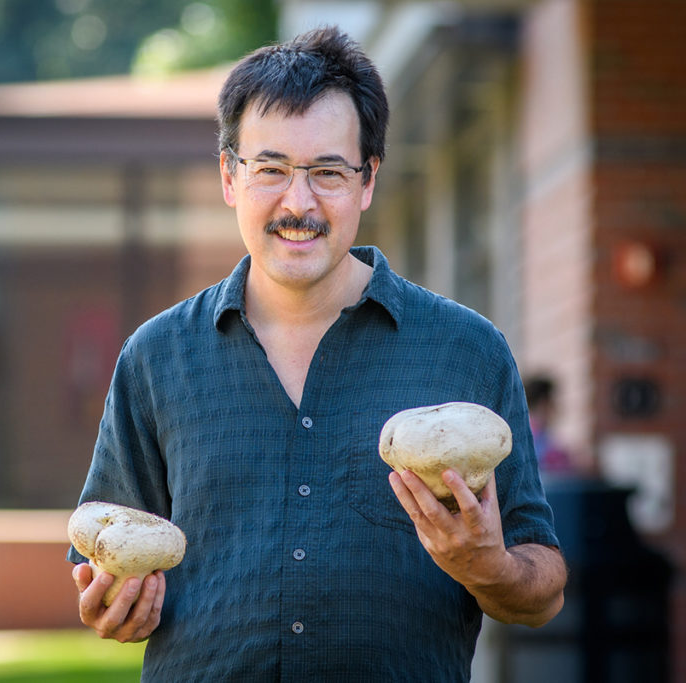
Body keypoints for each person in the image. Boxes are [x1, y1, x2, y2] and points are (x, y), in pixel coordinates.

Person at [68, 26, 566, 681]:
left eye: (328, 172)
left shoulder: (468, 352)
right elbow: (101, 550)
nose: (297, 203)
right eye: (270, 169)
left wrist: (489, 565)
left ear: (367, 181)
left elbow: (544, 589)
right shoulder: (156, 358)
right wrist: (111, 605)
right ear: (229, 175)